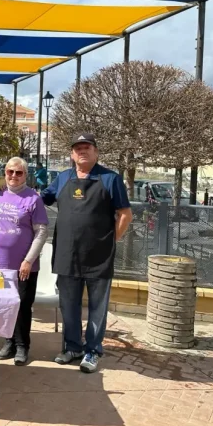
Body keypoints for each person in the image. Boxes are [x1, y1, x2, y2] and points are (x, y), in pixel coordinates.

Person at [41, 133, 132, 373]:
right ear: (72, 154)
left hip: (98, 256)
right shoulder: (62, 178)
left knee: (97, 306)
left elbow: (125, 214)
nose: (82, 151)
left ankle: (93, 350)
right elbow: (40, 200)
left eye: (87, 147)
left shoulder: (110, 179)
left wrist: (113, 240)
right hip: (66, 254)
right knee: (68, 304)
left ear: (96, 152)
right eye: (78, 148)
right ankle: (72, 347)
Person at [0, 157, 48, 366]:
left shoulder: (33, 198)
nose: (14, 176)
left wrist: (28, 260)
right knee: (7, 304)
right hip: (1, 264)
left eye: (19, 172)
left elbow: (41, 232)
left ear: (25, 174)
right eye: (10, 172)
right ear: (5, 173)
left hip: (25, 265)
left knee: (23, 305)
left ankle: (23, 345)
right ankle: (9, 342)